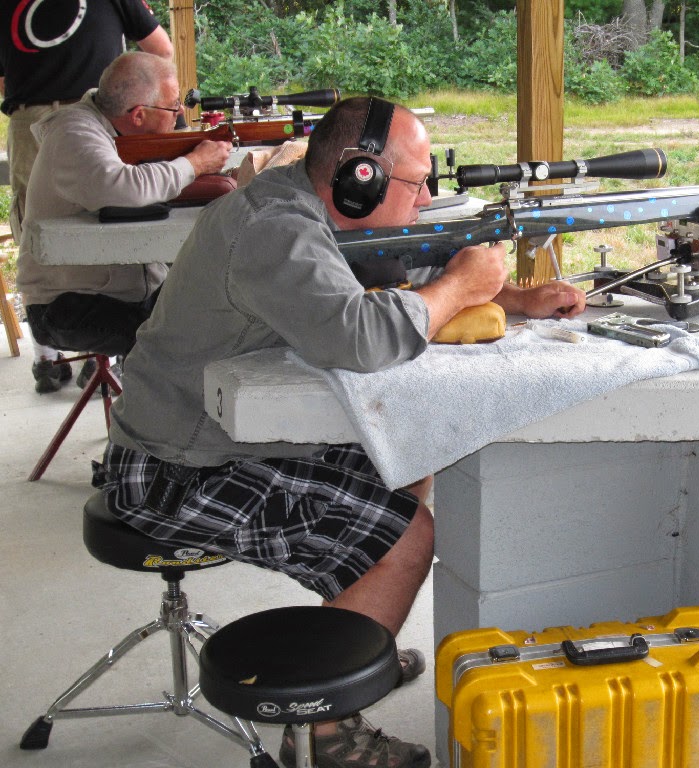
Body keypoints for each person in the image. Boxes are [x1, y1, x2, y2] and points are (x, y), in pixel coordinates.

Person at [95, 96, 587, 768]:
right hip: (172, 469)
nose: (423, 199)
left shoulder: (302, 208)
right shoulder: (275, 227)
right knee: (409, 535)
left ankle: (348, 642)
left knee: (404, 461)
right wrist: (462, 282)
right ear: (360, 178)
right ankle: (336, 732)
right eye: (415, 184)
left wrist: (509, 298)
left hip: (213, 439)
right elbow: (359, 335)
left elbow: (385, 289)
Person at [15, 51, 230, 392]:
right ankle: (150, 428)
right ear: (138, 115)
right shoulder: (74, 133)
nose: (179, 118)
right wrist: (195, 163)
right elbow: (124, 187)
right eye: (174, 108)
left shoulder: (106, 126)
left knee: (219, 310)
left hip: (120, 292)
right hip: (66, 305)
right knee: (183, 340)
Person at [0, 0, 174, 392]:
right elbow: (161, 47)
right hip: (82, 115)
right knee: (43, 227)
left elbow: (159, 51)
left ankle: (103, 362)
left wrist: (142, 98)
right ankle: (54, 355)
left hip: (108, 111)